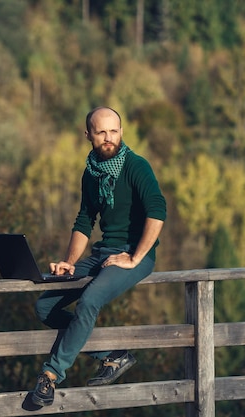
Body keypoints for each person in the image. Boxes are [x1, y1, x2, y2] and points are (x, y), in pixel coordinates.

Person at [31, 106, 166, 407]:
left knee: (90, 300)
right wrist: (69, 262)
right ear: (88, 135)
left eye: (114, 131)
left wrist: (133, 257)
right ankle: (110, 357)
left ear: (121, 132)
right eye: (101, 132)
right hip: (103, 253)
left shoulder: (136, 166)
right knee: (45, 306)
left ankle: (50, 376)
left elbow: (157, 211)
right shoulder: (91, 172)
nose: (109, 138)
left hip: (134, 256)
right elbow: (84, 220)